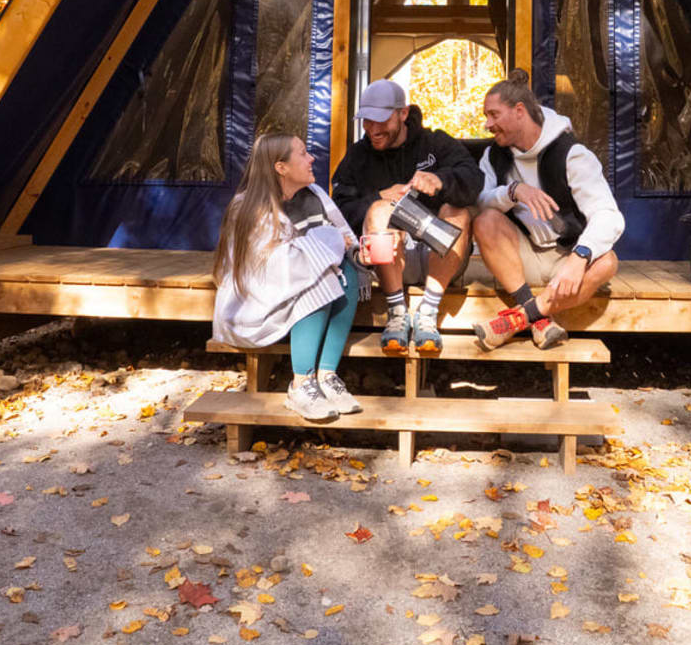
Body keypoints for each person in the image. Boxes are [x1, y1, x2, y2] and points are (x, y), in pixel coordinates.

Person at [212, 133, 363, 422]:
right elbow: (278, 271)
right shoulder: (250, 207)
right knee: (316, 278)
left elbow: (344, 238)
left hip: (285, 293)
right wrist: (329, 239)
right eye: (303, 153)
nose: (312, 158)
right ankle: (301, 384)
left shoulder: (316, 195)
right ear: (281, 167)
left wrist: (355, 252)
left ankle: (327, 375)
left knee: (348, 273)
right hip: (254, 303)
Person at [472, 69, 623, 350]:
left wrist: (580, 257)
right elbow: (479, 201)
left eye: (493, 115)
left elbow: (608, 215)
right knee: (485, 221)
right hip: (519, 260)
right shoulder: (494, 155)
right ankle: (537, 316)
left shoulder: (572, 154)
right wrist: (513, 192)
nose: (487, 125)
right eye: (486, 117)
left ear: (519, 110)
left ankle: (525, 316)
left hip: (566, 260)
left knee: (608, 261)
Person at [332, 79, 482, 354]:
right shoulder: (358, 155)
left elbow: (475, 180)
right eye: (367, 121)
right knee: (379, 209)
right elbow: (337, 207)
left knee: (457, 211)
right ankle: (397, 311)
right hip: (384, 261)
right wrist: (378, 196)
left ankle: (428, 312)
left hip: (443, 258)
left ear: (403, 113)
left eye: (381, 120)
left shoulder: (435, 142)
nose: (373, 129)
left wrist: (440, 181)